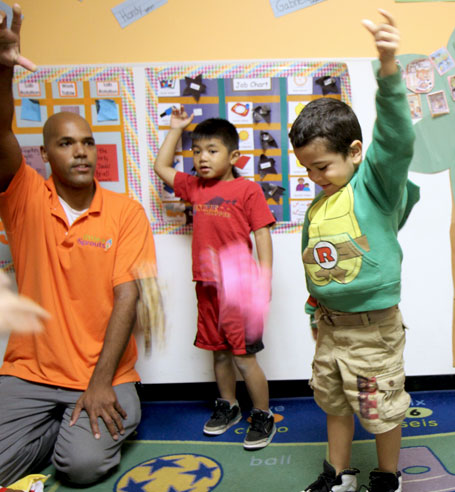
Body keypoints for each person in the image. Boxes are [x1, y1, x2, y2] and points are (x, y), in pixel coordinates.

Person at [0, 4, 157, 486]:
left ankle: (87, 426)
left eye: (87, 142)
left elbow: (127, 297)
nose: (81, 150)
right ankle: (55, 428)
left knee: (81, 469)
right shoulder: (25, 195)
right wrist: (2, 71)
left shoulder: (126, 211)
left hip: (104, 371)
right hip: (29, 371)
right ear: (44, 153)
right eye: (67, 143)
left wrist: (100, 381)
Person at [290, 10, 419, 492]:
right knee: (333, 402)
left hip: (373, 332)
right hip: (330, 327)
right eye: (307, 170)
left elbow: (397, 136)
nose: (315, 178)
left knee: (381, 408)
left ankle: (388, 477)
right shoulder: (318, 207)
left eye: (322, 166)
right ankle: (339, 473)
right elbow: (312, 263)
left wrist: (388, 67)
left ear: (356, 152)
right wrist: (312, 314)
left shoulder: (376, 187)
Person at [153, 108, 276, 449]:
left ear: (233, 155)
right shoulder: (195, 187)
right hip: (205, 286)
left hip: (240, 288)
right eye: (197, 151)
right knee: (218, 352)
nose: (202, 158)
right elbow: (161, 168)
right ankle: (229, 406)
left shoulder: (247, 189)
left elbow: (262, 235)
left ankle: (263, 414)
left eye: (212, 150)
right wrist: (176, 129)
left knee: (243, 356)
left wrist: (265, 279)